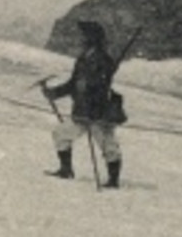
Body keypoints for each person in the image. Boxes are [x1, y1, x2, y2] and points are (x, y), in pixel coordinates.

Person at [42, 20, 124, 188]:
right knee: (60, 134)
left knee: (108, 146)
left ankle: (113, 181)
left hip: (98, 112)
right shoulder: (82, 59)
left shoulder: (104, 60)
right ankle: (66, 170)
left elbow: (100, 86)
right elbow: (73, 84)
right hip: (82, 111)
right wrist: (53, 93)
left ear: (91, 38)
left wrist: (90, 90)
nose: (80, 39)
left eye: (83, 36)